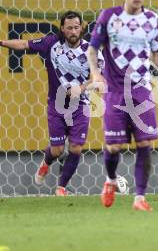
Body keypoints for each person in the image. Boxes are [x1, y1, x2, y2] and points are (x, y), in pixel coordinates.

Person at [88, 0, 158, 211]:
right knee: (114, 147)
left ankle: (139, 198)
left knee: (145, 144)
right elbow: (92, 50)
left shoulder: (152, 19)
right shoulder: (109, 17)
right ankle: (111, 180)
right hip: (114, 91)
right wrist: (95, 73)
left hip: (141, 89)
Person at [0, 11, 102, 196]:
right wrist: (2, 42)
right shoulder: (51, 43)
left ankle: (61, 187)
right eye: (69, 28)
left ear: (82, 28)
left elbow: (100, 79)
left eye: (76, 27)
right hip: (56, 105)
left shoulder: (91, 51)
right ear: (62, 28)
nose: (72, 31)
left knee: (76, 147)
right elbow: (23, 44)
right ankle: (46, 163)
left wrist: (82, 87)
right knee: (56, 150)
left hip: (80, 106)